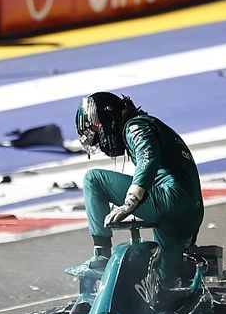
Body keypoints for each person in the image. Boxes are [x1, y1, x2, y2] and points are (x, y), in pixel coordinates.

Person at [66, 91, 204, 286]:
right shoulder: (152, 125)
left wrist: (131, 201)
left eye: (99, 135)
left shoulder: (135, 126)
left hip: (169, 199)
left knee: (93, 179)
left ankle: (101, 255)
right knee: (163, 290)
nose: (102, 142)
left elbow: (148, 160)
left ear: (108, 120)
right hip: (191, 212)